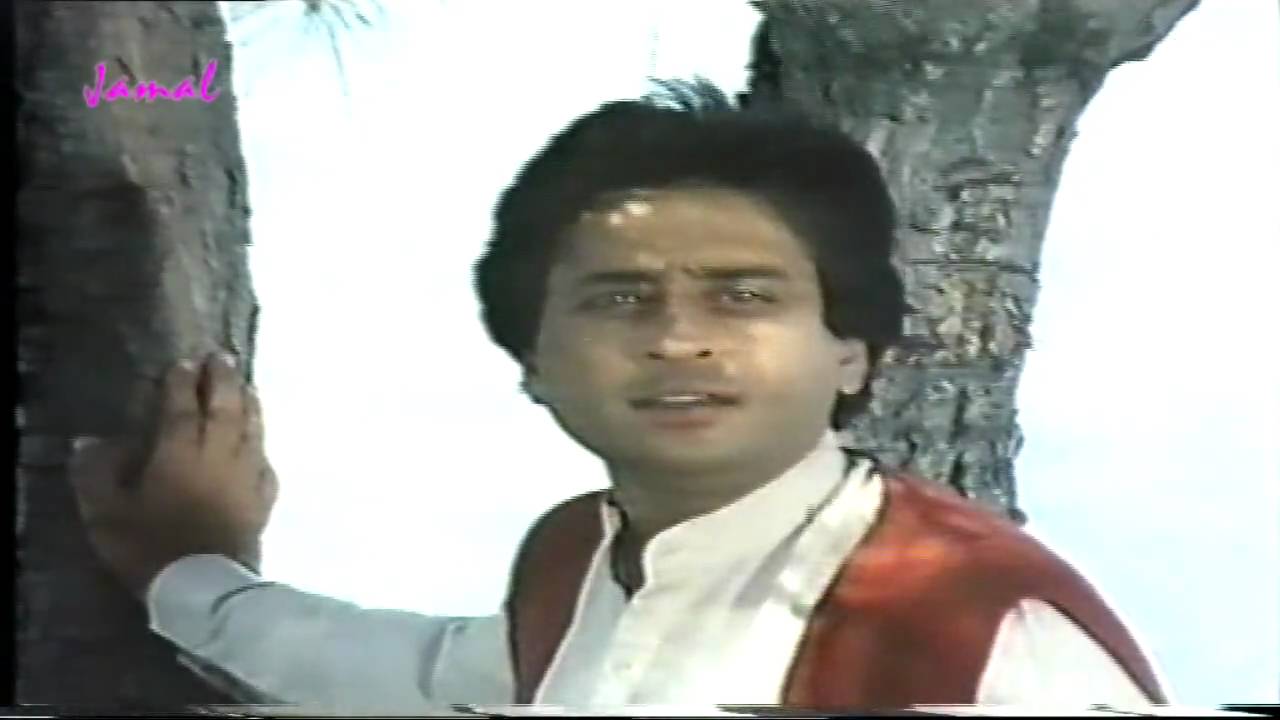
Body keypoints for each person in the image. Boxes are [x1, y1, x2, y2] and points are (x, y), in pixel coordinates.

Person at [69, 81, 1169, 714]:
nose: (678, 338)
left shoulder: (976, 634)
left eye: (744, 295)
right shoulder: (579, 558)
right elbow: (424, 674)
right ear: (532, 361)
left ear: (853, 351)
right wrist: (186, 571)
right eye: (619, 299)